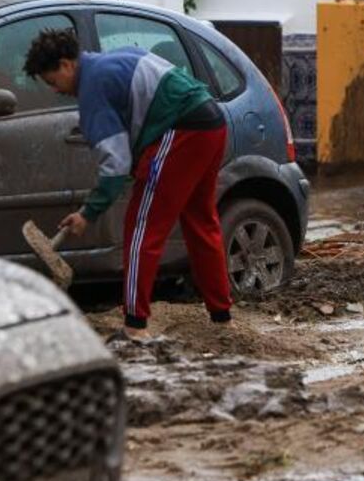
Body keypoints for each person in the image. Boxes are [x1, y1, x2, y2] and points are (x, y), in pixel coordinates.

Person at [23, 27, 231, 340]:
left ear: (66, 65)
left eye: (53, 81)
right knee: (200, 220)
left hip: (181, 131)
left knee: (141, 228)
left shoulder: (93, 86)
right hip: (211, 123)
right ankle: (221, 317)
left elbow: (115, 165)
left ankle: (135, 326)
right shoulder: (111, 62)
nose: (56, 90)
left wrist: (88, 213)